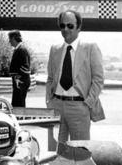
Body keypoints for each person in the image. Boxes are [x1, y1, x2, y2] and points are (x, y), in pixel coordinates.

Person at [45, 10, 105, 142]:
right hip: (56, 107)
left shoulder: (90, 48)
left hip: (79, 107)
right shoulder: (54, 49)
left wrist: (88, 102)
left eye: (70, 26)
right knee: (55, 152)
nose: (65, 29)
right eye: (62, 25)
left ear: (79, 27)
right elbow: (50, 78)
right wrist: (49, 101)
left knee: (80, 152)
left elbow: (98, 79)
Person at [8, 30, 31, 107]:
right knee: (16, 103)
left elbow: (25, 66)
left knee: (19, 104)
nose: (9, 41)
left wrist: (17, 77)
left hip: (21, 81)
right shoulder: (19, 49)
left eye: (10, 39)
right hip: (20, 81)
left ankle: (20, 118)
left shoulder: (21, 50)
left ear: (14, 38)